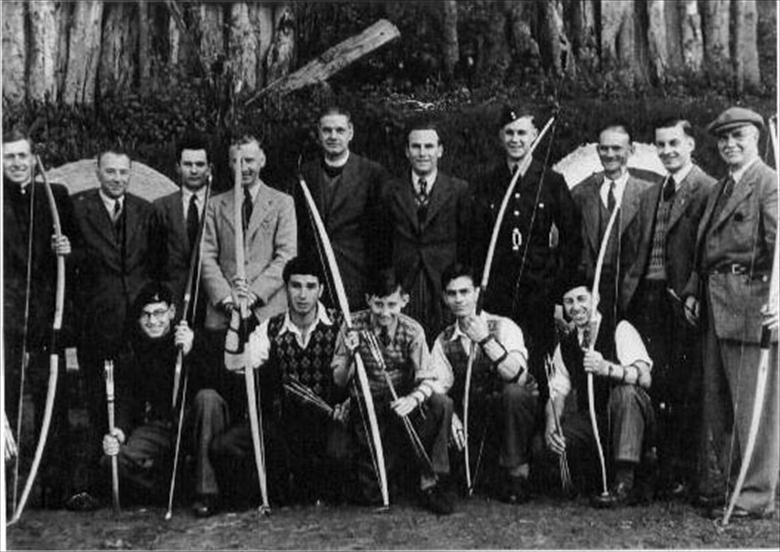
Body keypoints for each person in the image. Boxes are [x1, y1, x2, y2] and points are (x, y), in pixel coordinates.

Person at [681, 106, 778, 520]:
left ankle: (755, 494)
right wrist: (691, 291)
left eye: (738, 136)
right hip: (714, 305)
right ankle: (733, 483)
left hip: (751, 304)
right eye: (723, 138)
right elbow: (706, 249)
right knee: (720, 404)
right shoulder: (721, 187)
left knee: (753, 404)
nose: (730, 144)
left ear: (756, 138)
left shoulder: (769, 184)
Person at [212, 256, 350, 505]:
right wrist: (236, 312)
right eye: (295, 286)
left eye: (310, 287)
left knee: (338, 461)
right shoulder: (271, 328)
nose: (302, 295)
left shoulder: (340, 324)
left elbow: (351, 377)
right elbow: (234, 363)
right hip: (288, 425)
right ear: (285, 288)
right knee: (224, 446)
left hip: (331, 421)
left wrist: (347, 405)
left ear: (321, 289)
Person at [625, 118, 715, 499]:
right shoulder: (651, 193)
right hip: (649, 297)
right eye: (660, 145)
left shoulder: (707, 189)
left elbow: (708, 248)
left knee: (686, 385)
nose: (667, 151)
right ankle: (660, 468)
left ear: (691, 144)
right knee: (657, 382)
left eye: (674, 143)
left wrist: (693, 292)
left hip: (682, 301)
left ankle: (684, 471)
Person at [70, 145, 160, 509]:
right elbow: (74, 268)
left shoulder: (145, 210)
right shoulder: (78, 209)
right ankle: (91, 486)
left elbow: (151, 266)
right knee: (96, 404)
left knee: (133, 400)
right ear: (98, 172)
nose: (118, 179)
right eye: (111, 172)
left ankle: (129, 477)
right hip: (98, 322)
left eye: (123, 172)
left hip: (136, 325)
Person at [475, 105, 581, 402]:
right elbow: (476, 241)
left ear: (535, 135)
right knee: (499, 366)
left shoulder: (552, 181)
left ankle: (540, 437)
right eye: (510, 133)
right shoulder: (488, 182)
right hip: (498, 294)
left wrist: (557, 289)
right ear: (500, 137)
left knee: (539, 365)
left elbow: (572, 240)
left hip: (539, 296)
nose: (516, 139)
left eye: (522, 132)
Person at [331, 269, 455, 514]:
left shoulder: (412, 330)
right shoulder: (351, 325)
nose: (385, 313)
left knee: (441, 403)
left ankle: (430, 482)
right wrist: (349, 356)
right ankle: (388, 475)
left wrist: (412, 399)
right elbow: (339, 381)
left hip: (401, 403)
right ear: (368, 300)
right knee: (369, 490)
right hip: (365, 406)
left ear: (404, 301)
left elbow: (428, 378)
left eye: (391, 304)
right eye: (378, 304)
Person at [101, 282, 220, 515]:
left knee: (208, 398)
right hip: (159, 428)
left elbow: (215, 383)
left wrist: (191, 351)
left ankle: (207, 492)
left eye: (159, 313)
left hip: (193, 422)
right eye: (146, 315)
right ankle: (171, 489)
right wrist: (119, 433)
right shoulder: (133, 348)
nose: (153, 321)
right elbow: (125, 399)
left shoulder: (191, 338)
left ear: (172, 313)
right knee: (113, 460)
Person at [3, 128, 75, 508]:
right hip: (7, 318)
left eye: (21, 156)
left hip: (49, 314)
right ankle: (8, 486)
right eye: (8, 157)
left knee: (53, 400)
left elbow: (77, 250)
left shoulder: (56, 196)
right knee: (7, 399)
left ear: (34, 159)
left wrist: (67, 248)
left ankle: (54, 484)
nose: (16, 163)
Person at [430, 263, 538, 504]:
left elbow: (518, 376)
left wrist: (485, 340)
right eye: (452, 293)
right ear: (445, 298)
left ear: (477, 293)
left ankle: (517, 474)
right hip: (473, 420)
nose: (459, 299)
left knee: (515, 393)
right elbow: (436, 387)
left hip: (508, 418)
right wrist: (452, 418)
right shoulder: (443, 340)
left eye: (465, 292)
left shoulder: (504, 327)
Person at [542, 278, 656, 507]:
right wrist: (551, 424)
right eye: (569, 301)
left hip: (632, 418)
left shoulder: (619, 328)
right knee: (559, 441)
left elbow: (644, 378)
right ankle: (593, 479)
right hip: (595, 421)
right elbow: (558, 393)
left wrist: (608, 368)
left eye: (582, 299)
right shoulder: (566, 344)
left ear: (596, 299)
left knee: (625, 393)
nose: (575, 307)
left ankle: (625, 483)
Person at [383, 120, 473, 341]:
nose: (423, 153)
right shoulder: (390, 190)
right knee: (406, 343)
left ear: (440, 150)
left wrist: (461, 282)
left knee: (444, 343)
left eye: (429, 146)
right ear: (407, 151)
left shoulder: (458, 190)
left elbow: (469, 243)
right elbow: (381, 242)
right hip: (405, 283)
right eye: (416, 146)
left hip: (443, 283)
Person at [296, 107, 392, 309]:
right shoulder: (305, 174)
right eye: (327, 130)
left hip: (356, 276)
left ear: (351, 133)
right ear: (319, 134)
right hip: (315, 277)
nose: (333, 136)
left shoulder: (372, 173)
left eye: (339, 130)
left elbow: (382, 235)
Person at [571, 123, 660, 337]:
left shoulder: (649, 193)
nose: (609, 154)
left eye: (617, 148)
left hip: (636, 298)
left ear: (631, 150)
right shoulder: (581, 194)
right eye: (604, 148)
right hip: (593, 296)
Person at [152, 131, 212, 327]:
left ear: (209, 168)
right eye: (188, 164)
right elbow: (154, 262)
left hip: (212, 303)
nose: (194, 170)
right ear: (178, 167)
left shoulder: (220, 205)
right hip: (173, 303)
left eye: (200, 165)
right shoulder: (161, 207)